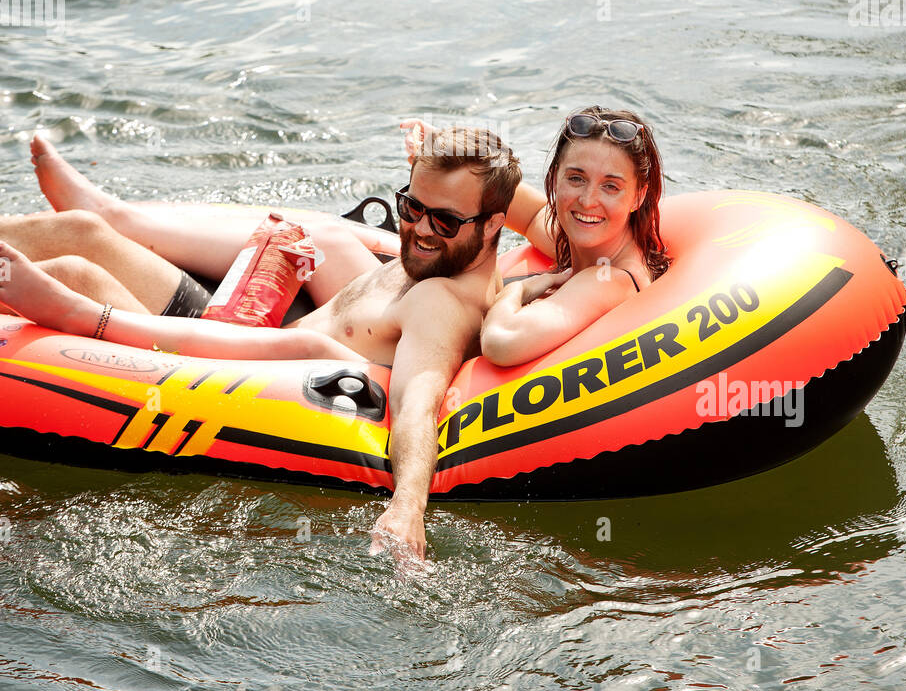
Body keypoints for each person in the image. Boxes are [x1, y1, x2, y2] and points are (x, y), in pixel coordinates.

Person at [0, 127, 521, 562]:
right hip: (249, 327)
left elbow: (417, 406)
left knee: (74, 274)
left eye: (445, 220)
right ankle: (110, 216)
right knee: (84, 230)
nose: (420, 230)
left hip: (220, 359)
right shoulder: (437, 260)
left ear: (495, 224)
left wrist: (408, 507)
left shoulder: (443, 305)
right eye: (411, 207)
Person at [481, 107, 669, 366]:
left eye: (611, 186)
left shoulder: (609, 279)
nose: (587, 200)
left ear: (638, 196)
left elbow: (501, 341)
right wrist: (446, 157)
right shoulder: (589, 243)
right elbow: (532, 214)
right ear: (555, 177)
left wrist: (518, 289)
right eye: (576, 178)